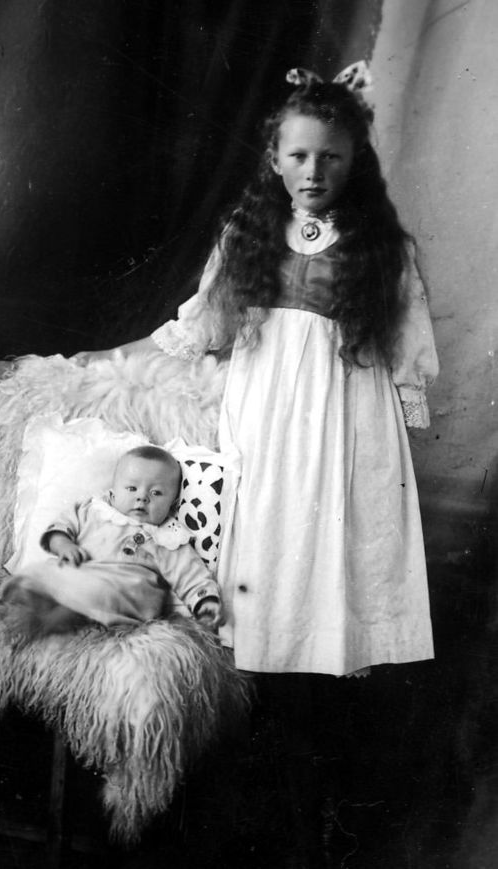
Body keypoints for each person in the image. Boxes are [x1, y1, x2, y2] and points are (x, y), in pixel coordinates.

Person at [73, 61, 439, 677]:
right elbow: (196, 328)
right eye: (299, 156)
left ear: (355, 162)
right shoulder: (248, 237)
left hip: (344, 412)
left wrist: (399, 420)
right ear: (274, 160)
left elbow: (408, 342)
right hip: (265, 409)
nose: (313, 171)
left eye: (331, 157)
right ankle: (260, 651)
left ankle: (334, 652)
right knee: (265, 521)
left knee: (335, 520)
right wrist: (110, 357)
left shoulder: (381, 248)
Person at [2, 445, 222, 639]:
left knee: (97, 591)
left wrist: (205, 601)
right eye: (132, 488)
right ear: (114, 491)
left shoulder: (168, 538)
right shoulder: (93, 510)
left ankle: (56, 617)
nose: (142, 497)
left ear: (172, 503)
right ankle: (37, 603)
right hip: (80, 574)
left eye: (156, 493)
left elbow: (190, 574)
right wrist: (63, 545)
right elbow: (61, 526)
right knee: (39, 572)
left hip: (127, 591)